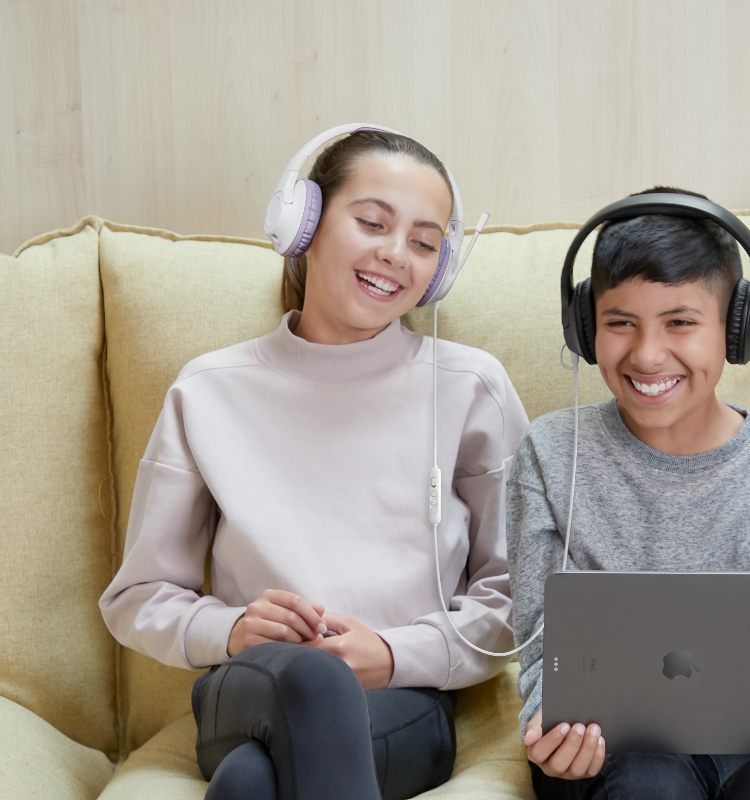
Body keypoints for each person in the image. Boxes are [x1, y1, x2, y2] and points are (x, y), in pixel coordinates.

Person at [99, 129, 528, 800]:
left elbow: (519, 594)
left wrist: (392, 655)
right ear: (302, 223)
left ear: (439, 269)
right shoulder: (209, 390)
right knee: (307, 678)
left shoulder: (471, 387)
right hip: (247, 688)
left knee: (247, 784)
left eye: (424, 242)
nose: (396, 254)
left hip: (403, 699)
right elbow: (138, 597)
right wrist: (234, 628)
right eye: (372, 222)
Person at [507, 186, 750, 800]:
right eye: (620, 323)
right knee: (648, 780)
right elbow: (537, 645)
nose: (646, 354)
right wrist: (549, 728)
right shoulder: (551, 451)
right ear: (587, 328)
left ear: (736, 329)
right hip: (596, 754)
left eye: (681, 323)